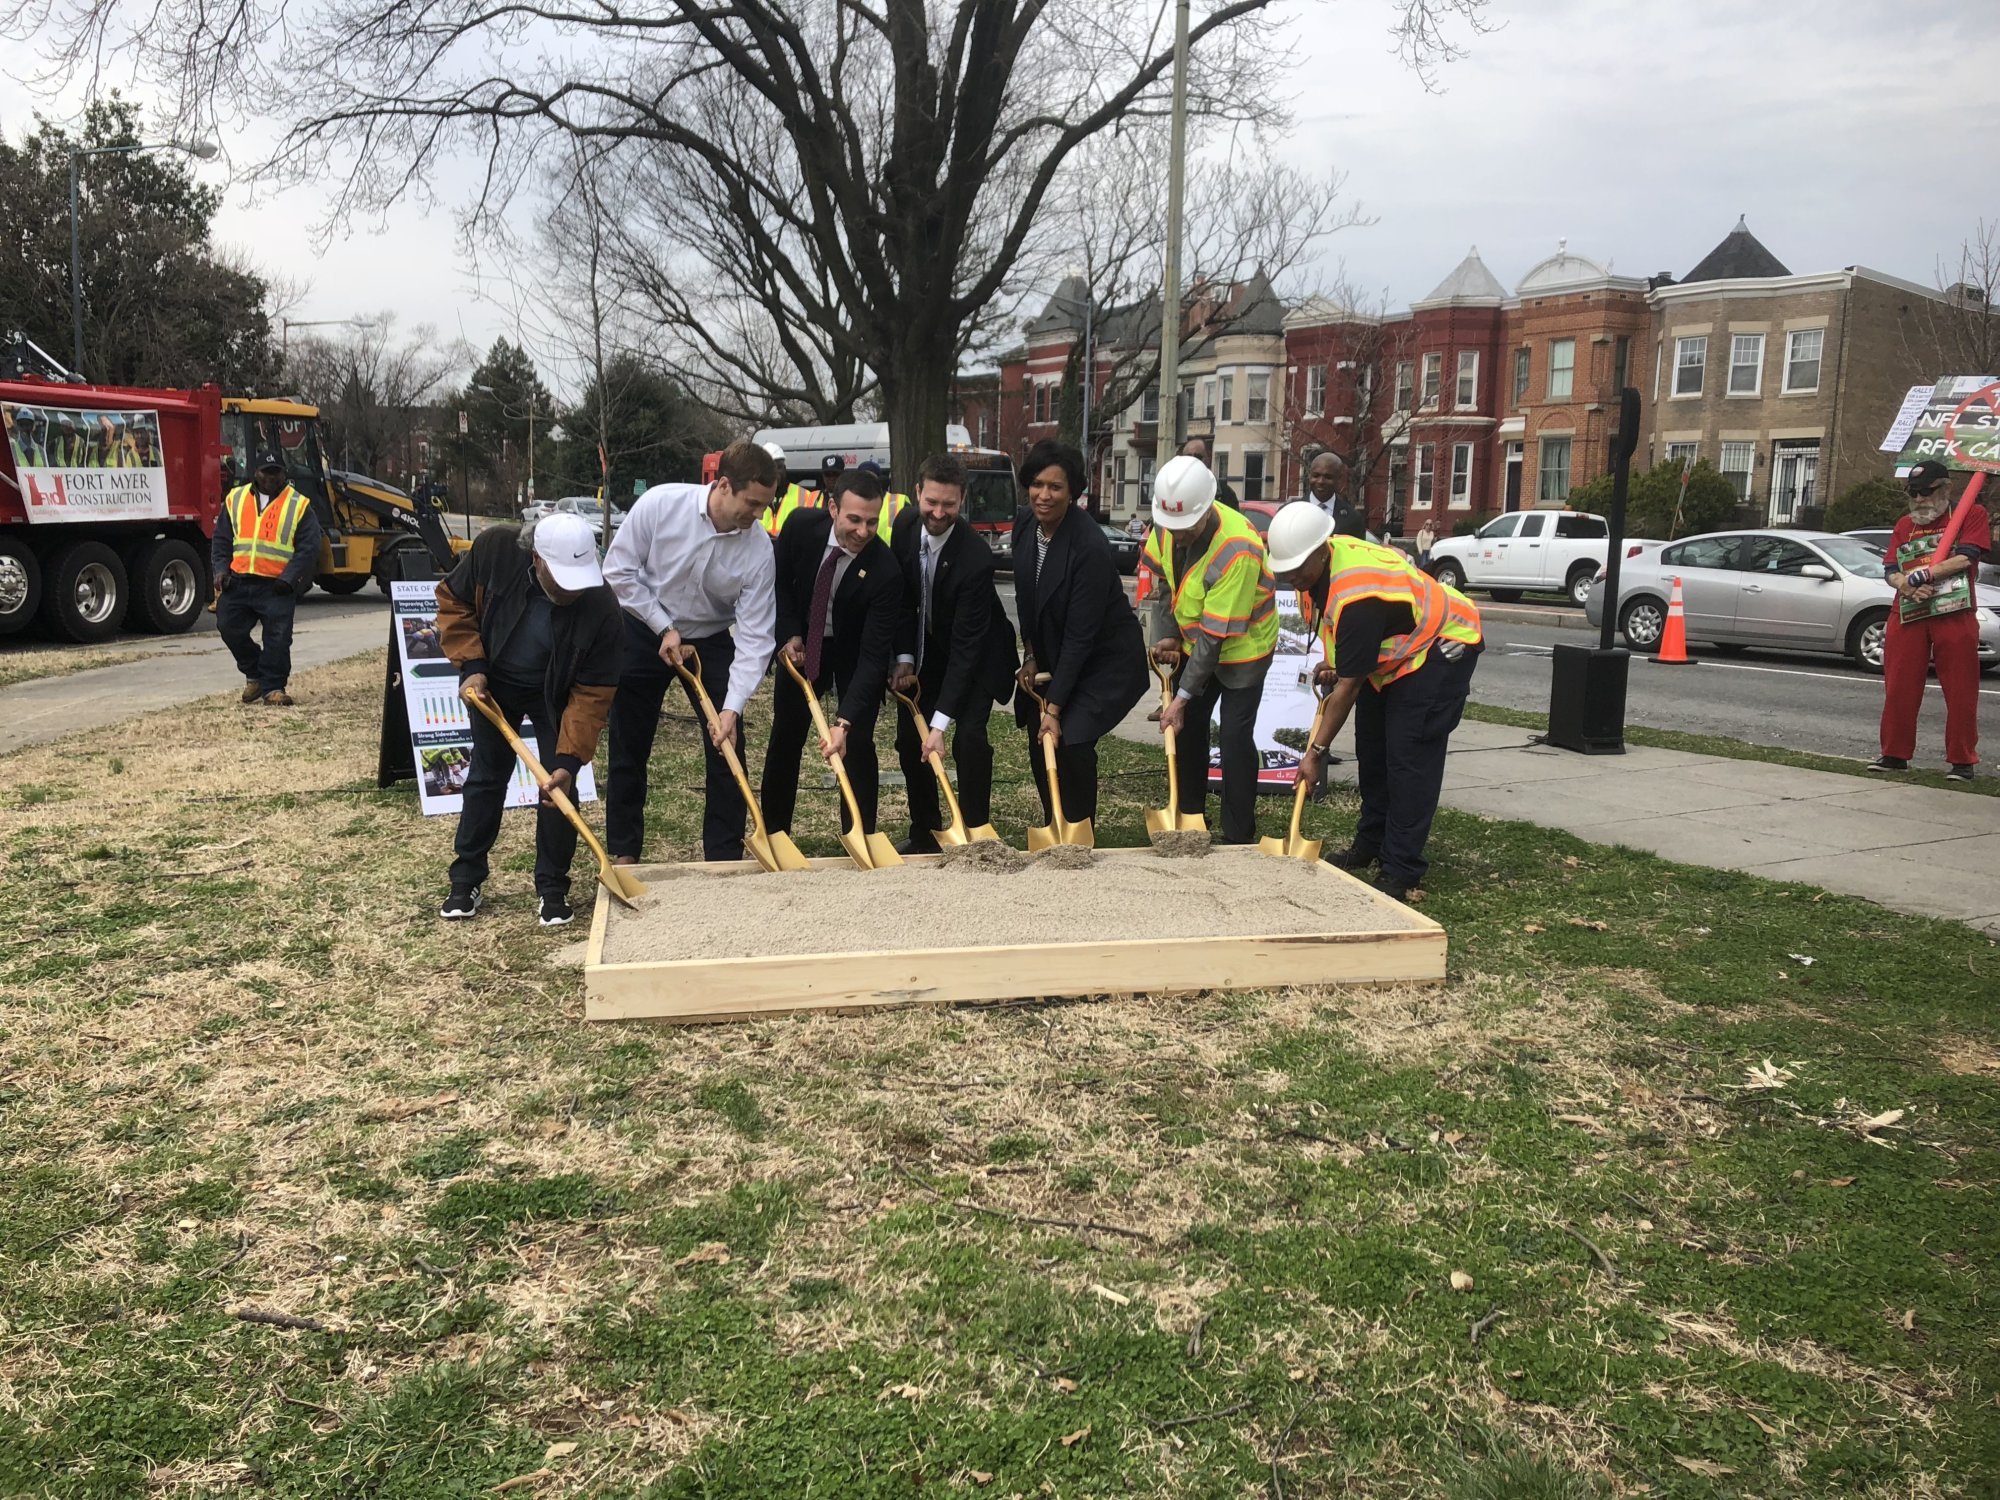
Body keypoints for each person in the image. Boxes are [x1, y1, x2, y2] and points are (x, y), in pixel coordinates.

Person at [1266, 500, 1482, 901]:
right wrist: (1337, 662)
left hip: (1438, 650)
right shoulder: (1317, 573)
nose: (1290, 576)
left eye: (1297, 568)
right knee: (1373, 749)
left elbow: (1348, 688)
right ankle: (1371, 843)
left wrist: (1315, 752)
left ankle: (1401, 867)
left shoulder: (1358, 594)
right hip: (1393, 661)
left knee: (1407, 759)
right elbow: (1342, 642)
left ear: (1320, 549)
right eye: (1284, 570)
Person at [434, 513, 624, 925]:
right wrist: (471, 664)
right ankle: (465, 879)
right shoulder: (495, 552)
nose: (573, 590)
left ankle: (553, 888)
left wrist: (569, 761)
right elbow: (454, 600)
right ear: (536, 559)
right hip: (496, 681)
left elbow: (592, 694)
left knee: (558, 786)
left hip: (556, 694)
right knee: (486, 776)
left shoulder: (602, 606)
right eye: (563, 579)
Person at [602, 440, 779, 863]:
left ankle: (723, 855)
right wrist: (663, 626)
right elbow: (618, 570)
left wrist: (732, 707)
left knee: (727, 745)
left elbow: (755, 636)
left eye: (765, 507)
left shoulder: (759, 550)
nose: (757, 516)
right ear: (722, 485)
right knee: (629, 743)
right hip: (644, 628)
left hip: (711, 636)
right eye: (752, 504)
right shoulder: (661, 505)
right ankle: (624, 852)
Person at [760, 469, 903, 840]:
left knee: (856, 743)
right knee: (785, 738)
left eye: (872, 522)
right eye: (854, 519)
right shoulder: (799, 528)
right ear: (833, 508)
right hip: (804, 644)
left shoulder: (886, 570)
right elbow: (782, 586)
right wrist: (788, 634)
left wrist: (844, 722)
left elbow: (874, 656)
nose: (863, 531)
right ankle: (775, 833)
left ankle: (859, 834)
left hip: (854, 651)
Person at [1012, 439, 1149, 827]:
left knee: (1070, 739)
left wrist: (1054, 707)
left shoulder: (1088, 546)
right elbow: (1027, 598)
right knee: (1040, 739)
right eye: (1037, 484)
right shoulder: (1026, 525)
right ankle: (1053, 821)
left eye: (1055, 487)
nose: (1044, 495)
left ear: (1072, 491)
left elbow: (1080, 636)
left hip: (1105, 661)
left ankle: (1078, 828)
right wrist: (1031, 654)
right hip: (1055, 652)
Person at [1145, 455, 1279, 844]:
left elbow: (1214, 637)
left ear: (1206, 509)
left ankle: (1238, 833)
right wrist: (1169, 632)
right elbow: (1169, 582)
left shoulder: (1238, 547)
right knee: (1188, 732)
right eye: (1171, 527)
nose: (1177, 534)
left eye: (1185, 528)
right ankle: (1190, 818)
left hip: (1245, 650)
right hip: (1196, 641)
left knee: (1235, 737)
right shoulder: (1168, 521)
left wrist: (1182, 696)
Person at [889, 453, 1019, 853]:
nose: (939, 512)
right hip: (931, 652)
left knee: (969, 739)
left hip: (979, 656)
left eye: (949, 504)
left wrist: (940, 725)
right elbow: (904, 599)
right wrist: (905, 658)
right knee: (911, 742)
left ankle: (974, 832)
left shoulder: (975, 559)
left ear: (962, 500)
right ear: (918, 494)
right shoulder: (906, 526)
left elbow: (967, 648)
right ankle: (925, 832)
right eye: (931, 502)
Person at [1873, 458, 1989, 780]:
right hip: (1908, 613)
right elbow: (1890, 570)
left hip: (1953, 611)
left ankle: (1962, 760)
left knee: (1961, 688)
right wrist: (1906, 587)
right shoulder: (1903, 525)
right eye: (1914, 492)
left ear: (1946, 488)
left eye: (1927, 491)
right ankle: (1894, 754)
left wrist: (1924, 574)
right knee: (1899, 685)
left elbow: (1967, 555)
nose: (1920, 499)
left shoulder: (1970, 514)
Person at [211, 450, 323, 706]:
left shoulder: (299, 504)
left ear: (284, 473)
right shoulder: (235, 499)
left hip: (277, 586)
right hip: (238, 582)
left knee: (278, 639)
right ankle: (255, 673)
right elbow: (221, 539)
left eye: (276, 472)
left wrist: (290, 578)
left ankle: (273, 688)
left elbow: (309, 547)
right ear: (255, 473)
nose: (271, 478)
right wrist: (220, 570)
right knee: (228, 627)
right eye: (266, 472)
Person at [760, 440, 819, 537]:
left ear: (785, 468)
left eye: (779, 467)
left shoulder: (804, 496)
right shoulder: (754, 495)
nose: (775, 472)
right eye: (770, 468)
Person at [1306, 450, 1369, 540]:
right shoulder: (1289, 512)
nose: (1320, 481)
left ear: (1339, 479)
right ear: (1309, 476)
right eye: (1316, 476)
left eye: (1328, 477)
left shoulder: (1353, 519)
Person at [1179, 437, 1238, 508]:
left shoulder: (1225, 494)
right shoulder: (1173, 492)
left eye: (1198, 457)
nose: (1193, 461)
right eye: (1188, 458)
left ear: (1209, 460)